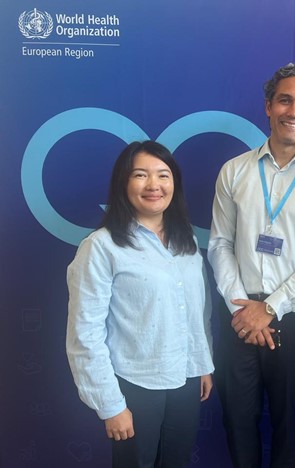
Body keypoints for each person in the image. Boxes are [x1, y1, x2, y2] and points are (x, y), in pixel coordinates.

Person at [207, 63, 295, 468]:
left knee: (288, 422)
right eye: (285, 100)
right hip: (236, 315)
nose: (294, 111)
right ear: (268, 106)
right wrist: (242, 310)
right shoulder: (235, 171)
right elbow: (219, 244)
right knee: (238, 420)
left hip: (292, 316)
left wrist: (268, 308)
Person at [66, 141, 214, 467]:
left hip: (185, 379)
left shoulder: (185, 240)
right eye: (140, 175)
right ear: (124, 183)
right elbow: (85, 332)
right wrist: (111, 405)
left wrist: (201, 363)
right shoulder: (101, 247)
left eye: (163, 175)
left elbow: (196, 310)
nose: (154, 185)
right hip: (135, 384)